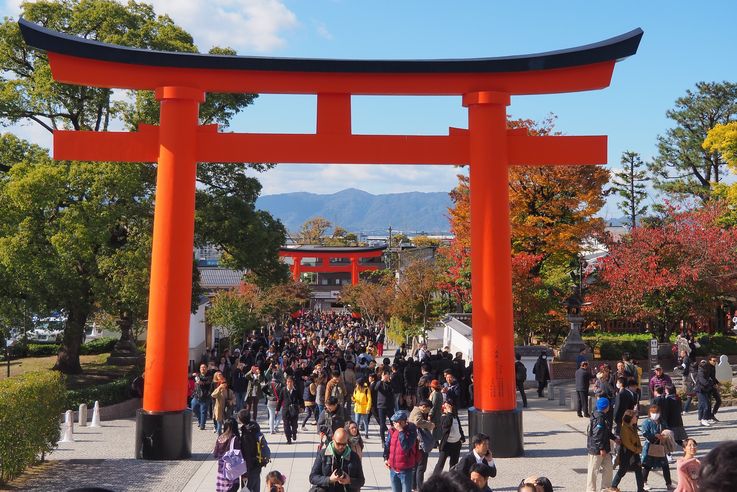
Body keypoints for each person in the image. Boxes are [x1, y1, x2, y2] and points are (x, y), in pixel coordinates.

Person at [309, 427, 365, 492]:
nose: (341, 447)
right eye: (338, 444)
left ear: (347, 441)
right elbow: (312, 477)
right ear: (333, 439)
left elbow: (361, 481)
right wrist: (329, 479)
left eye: (344, 444)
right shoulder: (323, 454)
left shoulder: (354, 456)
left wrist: (349, 480)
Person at [383, 410, 420, 492]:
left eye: (397, 422)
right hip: (393, 468)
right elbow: (387, 445)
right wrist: (385, 458)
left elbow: (406, 446)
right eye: (394, 422)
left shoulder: (411, 431)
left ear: (403, 422)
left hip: (405, 470)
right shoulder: (392, 431)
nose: (394, 424)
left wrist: (401, 431)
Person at [641, 404, 675, 490]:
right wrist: (655, 436)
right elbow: (645, 433)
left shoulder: (662, 421)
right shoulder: (646, 422)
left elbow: (667, 429)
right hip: (650, 446)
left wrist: (665, 434)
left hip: (660, 446)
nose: (655, 414)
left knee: (665, 465)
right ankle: (643, 482)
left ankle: (668, 483)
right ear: (650, 413)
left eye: (657, 412)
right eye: (653, 412)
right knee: (647, 465)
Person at [586, 398, 616, 492]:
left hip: (604, 448)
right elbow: (597, 434)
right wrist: (601, 448)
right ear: (606, 407)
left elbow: (606, 432)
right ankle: (591, 490)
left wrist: (614, 438)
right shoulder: (599, 418)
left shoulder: (602, 416)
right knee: (593, 470)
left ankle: (605, 489)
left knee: (608, 468)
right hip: (596, 449)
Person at [611, 410, 645, 492]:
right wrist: (637, 449)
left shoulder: (633, 426)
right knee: (622, 470)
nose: (636, 418)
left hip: (634, 451)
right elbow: (627, 443)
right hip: (627, 452)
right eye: (635, 416)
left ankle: (640, 489)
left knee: (638, 469)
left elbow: (637, 438)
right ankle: (613, 486)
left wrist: (640, 447)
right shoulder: (624, 428)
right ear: (630, 418)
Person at [237, 409, 270, 492]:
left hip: (250, 467)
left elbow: (247, 454)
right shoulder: (255, 428)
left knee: (247, 488)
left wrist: (245, 472)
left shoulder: (246, 434)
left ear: (241, 419)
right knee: (256, 487)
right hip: (258, 463)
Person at [432, 399, 465, 475]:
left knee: (454, 464)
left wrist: (462, 438)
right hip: (446, 444)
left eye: (449, 406)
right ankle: (434, 479)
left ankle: (451, 480)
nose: (447, 408)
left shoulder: (455, 417)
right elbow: (446, 425)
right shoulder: (443, 417)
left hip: (456, 443)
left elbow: (459, 428)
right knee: (440, 464)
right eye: (446, 406)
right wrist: (449, 413)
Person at [409, 399, 436, 490]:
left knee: (415, 467)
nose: (428, 411)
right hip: (420, 444)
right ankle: (419, 487)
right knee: (421, 467)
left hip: (415, 443)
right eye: (428, 409)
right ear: (423, 407)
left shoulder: (416, 410)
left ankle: (413, 486)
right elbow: (418, 422)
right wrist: (430, 424)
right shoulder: (418, 412)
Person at [213, 418, 241, 492]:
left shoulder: (220, 437)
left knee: (222, 489)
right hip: (232, 469)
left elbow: (215, 454)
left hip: (221, 469)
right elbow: (239, 455)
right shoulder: (235, 439)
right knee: (232, 488)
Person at [276, 375, 302, 444]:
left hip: (294, 410)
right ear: (286, 382)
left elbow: (301, 399)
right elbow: (280, 400)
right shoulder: (283, 390)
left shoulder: (296, 390)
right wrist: (277, 409)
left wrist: (302, 407)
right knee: (286, 426)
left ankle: (294, 433)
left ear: (293, 382)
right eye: (288, 382)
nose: (289, 383)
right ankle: (288, 439)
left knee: (294, 425)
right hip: (286, 410)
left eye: (291, 382)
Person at [373, 370, 395, 443]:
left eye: (387, 374)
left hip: (390, 406)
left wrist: (389, 381)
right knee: (382, 424)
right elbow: (376, 388)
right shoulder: (379, 383)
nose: (386, 376)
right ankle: (383, 440)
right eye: (384, 375)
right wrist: (382, 380)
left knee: (393, 422)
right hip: (381, 406)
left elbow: (393, 390)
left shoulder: (391, 383)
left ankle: (394, 437)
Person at [192, 363, 213, 430]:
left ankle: (202, 425)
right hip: (196, 396)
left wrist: (201, 382)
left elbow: (207, 382)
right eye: (201, 367)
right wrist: (194, 375)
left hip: (205, 396)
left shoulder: (209, 376)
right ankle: (200, 420)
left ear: (207, 369)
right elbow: (194, 377)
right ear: (200, 369)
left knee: (203, 411)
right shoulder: (198, 376)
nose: (203, 369)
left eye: (204, 367)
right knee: (194, 408)